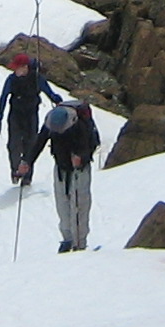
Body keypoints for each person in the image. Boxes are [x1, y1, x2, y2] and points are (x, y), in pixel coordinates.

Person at [39, 99, 102, 251]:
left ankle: (79, 243)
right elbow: (39, 140)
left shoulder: (81, 125)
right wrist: (27, 162)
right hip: (61, 168)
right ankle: (67, 240)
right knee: (63, 205)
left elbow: (92, 145)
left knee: (79, 205)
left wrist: (80, 157)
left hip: (79, 170)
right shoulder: (52, 122)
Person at [0, 54, 61, 185]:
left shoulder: (37, 79)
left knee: (30, 145)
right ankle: (16, 170)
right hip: (15, 115)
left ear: (25, 67)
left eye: (17, 68)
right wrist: (0, 114)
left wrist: (57, 100)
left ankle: (27, 175)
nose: (15, 71)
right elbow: (3, 96)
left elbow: (49, 92)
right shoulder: (12, 79)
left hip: (31, 115)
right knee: (13, 145)